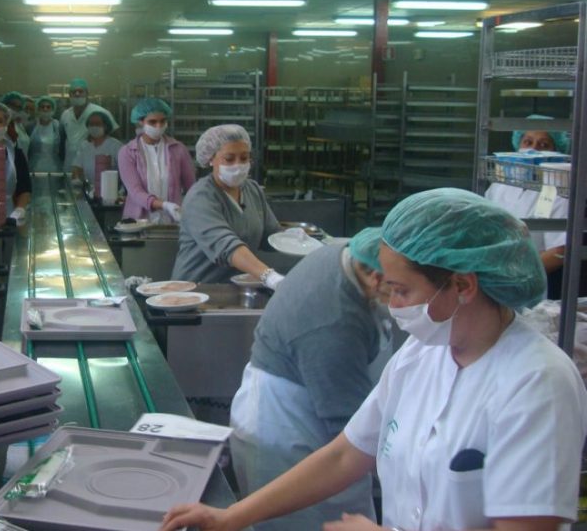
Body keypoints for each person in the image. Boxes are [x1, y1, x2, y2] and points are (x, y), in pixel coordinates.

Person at [161, 188, 587, 531]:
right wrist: (232, 517)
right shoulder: (422, 356)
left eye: (402, 291)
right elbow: (346, 454)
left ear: (463, 285)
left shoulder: (537, 384)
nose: (394, 305)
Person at [229, 227, 398, 531]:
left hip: (307, 417)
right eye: (402, 290)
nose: (407, 302)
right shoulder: (333, 324)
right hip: (291, 437)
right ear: (376, 278)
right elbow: (352, 435)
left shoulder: (347, 250)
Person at [171, 124, 281, 287]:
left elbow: (271, 237)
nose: (238, 165)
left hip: (234, 289)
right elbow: (225, 245)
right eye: (229, 159)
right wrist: (269, 276)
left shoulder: (253, 191)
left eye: (244, 158)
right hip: (195, 290)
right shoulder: (200, 197)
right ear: (210, 159)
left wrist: (302, 242)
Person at [485, 119, 572, 299]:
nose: (534, 149)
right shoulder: (501, 184)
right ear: (517, 146)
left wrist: (515, 275)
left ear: (556, 152)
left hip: (532, 282)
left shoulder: (558, 190)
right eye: (528, 142)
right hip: (492, 273)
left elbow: (560, 251)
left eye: (543, 144)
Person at [118, 98, 195, 224]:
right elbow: (135, 191)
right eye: (152, 122)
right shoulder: (127, 153)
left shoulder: (178, 149)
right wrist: (164, 205)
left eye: (162, 121)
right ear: (141, 122)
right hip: (138, 222)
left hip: (172, 223)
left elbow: (191, 187)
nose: (158, 126)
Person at [59, 78, 119, 172]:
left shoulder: (100, 112)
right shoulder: (65, 115)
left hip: (93, 163)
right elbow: (62, 140)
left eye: (80, 91)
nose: (77, 94)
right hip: (69, 164)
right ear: (69, 95)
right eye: (73, 92)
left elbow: (115, 135)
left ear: (87, 94)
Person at [71, 107, 123, 186]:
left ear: (106, 126)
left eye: (98, 124)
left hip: (111, 191)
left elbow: (126, 170)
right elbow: (77, 167)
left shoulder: (116, 146)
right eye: (91, 124)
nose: (94, 127)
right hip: (89, 190)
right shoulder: (84, 145)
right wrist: (76, 179)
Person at [27, 95, 64, 172]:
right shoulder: (31, 127)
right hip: (34, 168)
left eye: (48, 107)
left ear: (53, 109)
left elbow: (63, 148)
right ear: (38, 109)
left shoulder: (58, 127)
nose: (45, 109)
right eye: (42, 107)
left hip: (55, 168)